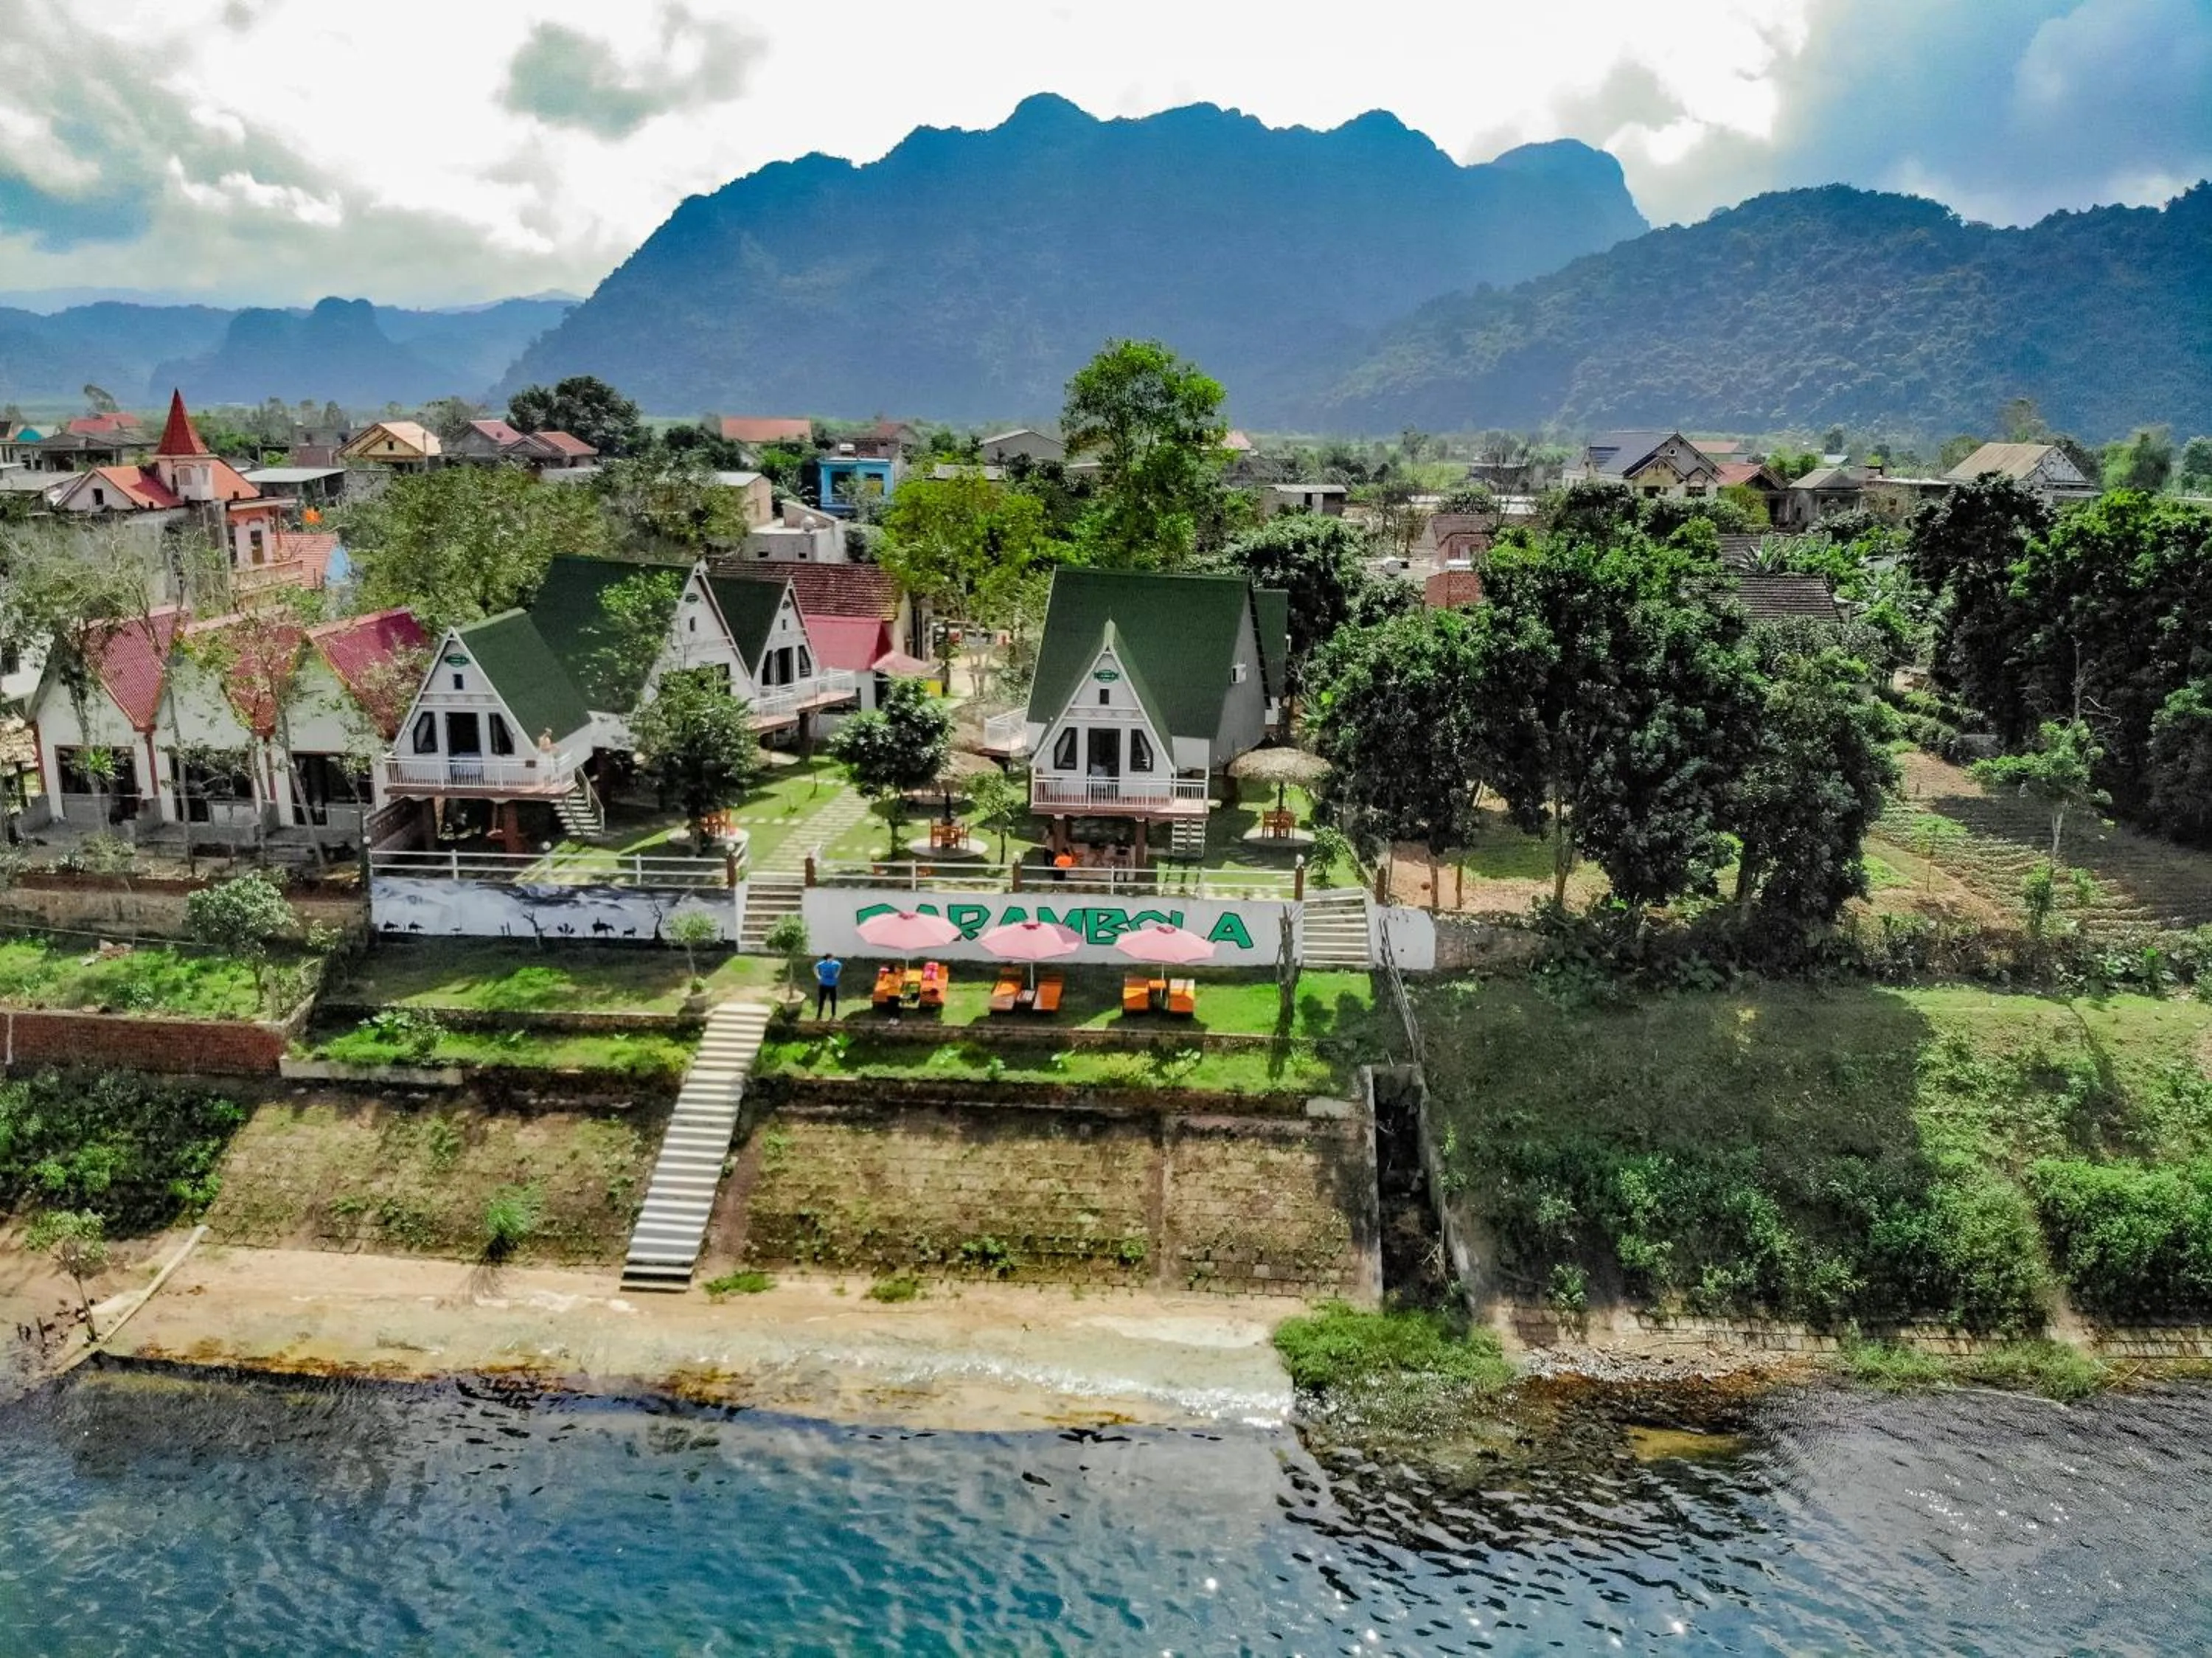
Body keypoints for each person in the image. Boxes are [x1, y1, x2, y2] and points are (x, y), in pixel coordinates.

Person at [813, 951, 844, 1019]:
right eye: (831, 958)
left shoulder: (835, 963)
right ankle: (819, 1016)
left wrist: (837, 974)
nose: (832, 959)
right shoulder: (822, 964)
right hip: (823, 985)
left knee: (833, 1001)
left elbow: (840, 966)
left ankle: (833, 1016)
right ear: (827, 958)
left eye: (833, 958)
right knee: (821, 1000)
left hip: (832, 985)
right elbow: (815, 968)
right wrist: (818, 976)